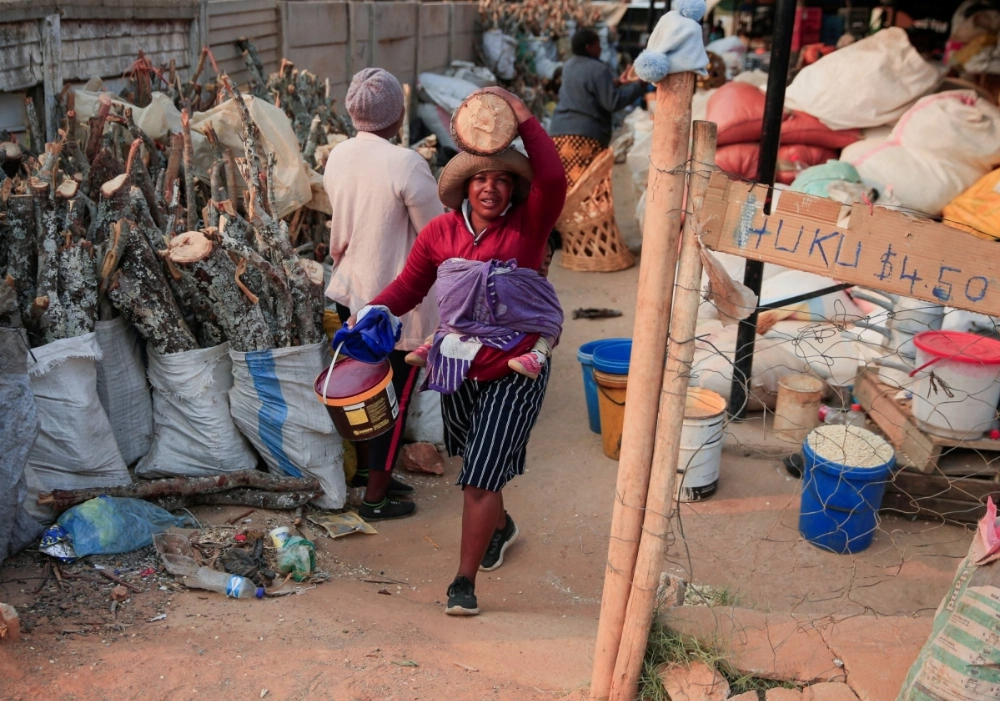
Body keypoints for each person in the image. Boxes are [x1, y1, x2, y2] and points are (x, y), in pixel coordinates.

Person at [359, 87, 567, 616]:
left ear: (514, 189)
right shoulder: (441, 233)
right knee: (476, 466)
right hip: (456, 368)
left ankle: (463, 583)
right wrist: (374, 314)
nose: (491, 189)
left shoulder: (529, 224)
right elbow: (407, 287)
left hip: (515, 371)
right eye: (480, 179)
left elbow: (552, 178)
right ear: (464, 187)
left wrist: (520, 116)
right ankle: (502, 525)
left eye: (501, 179)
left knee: (476, 478)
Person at [323, 68, 445, 521]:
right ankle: (375, 497)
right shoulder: (405, 163)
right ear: (397, 115)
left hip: (351, 291)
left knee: (363, 391)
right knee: (392, 395)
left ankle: (367, 475)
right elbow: (436, 234)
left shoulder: (339, 155)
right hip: (395, 303)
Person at [548, 28, 646, 191]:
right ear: (589, 47)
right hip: (585, 139)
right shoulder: (598, 68)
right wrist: (638, 86)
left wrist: (616, 83)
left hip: (559, 135)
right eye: (597, 44)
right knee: (589, 191)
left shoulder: (568, 66)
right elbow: (612, 102)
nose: (600, 48)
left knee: (566, 190)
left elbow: (586, 89)